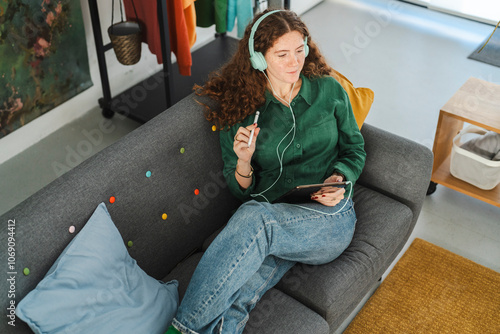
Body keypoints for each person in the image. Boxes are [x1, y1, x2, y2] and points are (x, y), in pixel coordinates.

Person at [166, 8, 366, 334]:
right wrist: (243, 160)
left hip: (329, 218)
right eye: (282, 54)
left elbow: (354, 149)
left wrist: (338, 178)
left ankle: (180, 329)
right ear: (259, 58)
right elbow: (238, 186)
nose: (294, 62)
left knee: (255, 217)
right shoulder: (243, 108)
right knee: (236, 295)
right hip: (277, 217)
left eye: (300, 50)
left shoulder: (329, 92)